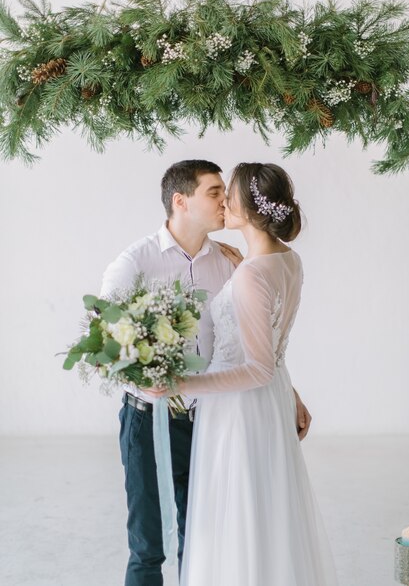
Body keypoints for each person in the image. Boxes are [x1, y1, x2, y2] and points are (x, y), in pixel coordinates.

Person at [100, 159, 312, 586]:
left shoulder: (233, 263)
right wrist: (145, 378)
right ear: (181, 201)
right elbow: (104, 341)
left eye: (225, 192)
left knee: (202, 539)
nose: (224, 201)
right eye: (214, 192)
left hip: (212, 422)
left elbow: (257, 345)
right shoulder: (134, 262)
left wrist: (292, 394)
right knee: (147, 545)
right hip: (151, 420)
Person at [148, 162, 338, 586]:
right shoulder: (286, 261)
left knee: (236, 513)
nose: (224, 203)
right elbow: (274, 348)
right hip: (267, 400)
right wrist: (292, 394)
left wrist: (184, 383)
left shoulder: (253, 272)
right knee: (265, 510)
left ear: (251, 210)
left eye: (228, 194)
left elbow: (256, 366)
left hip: (238, 408)